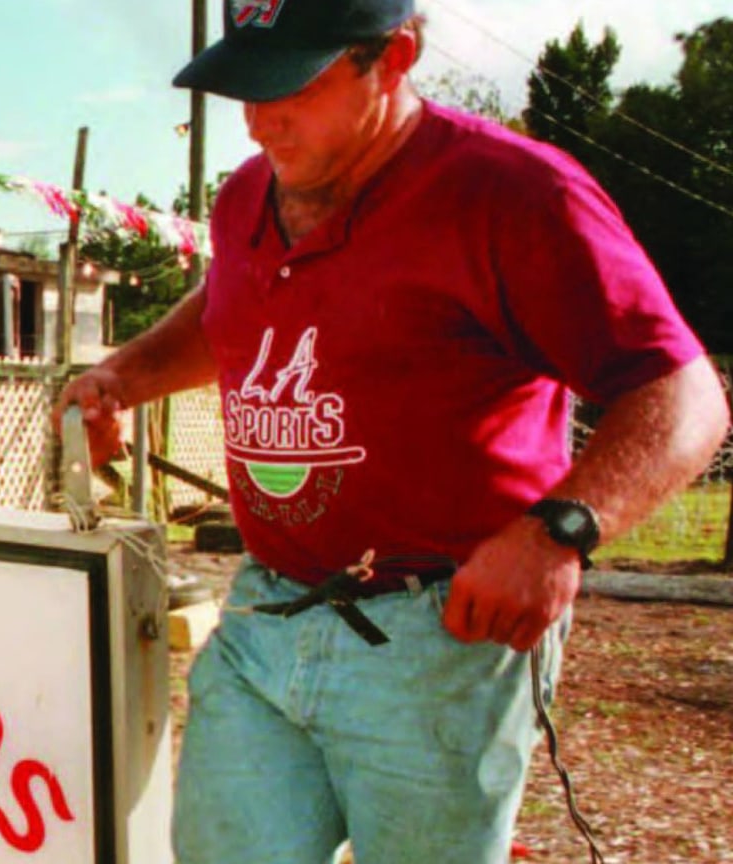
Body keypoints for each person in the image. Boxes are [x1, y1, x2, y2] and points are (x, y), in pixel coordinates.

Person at [56, 1, 729, 861]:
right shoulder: (248, 194)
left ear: (396, 56)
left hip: (440, 634)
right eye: (246, 90)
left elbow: (683, 391)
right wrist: (124, 376)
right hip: (268, 608)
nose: (262, 121)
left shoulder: (512, 192)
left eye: (294, 85)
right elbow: (228, 304)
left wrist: (560, 532)